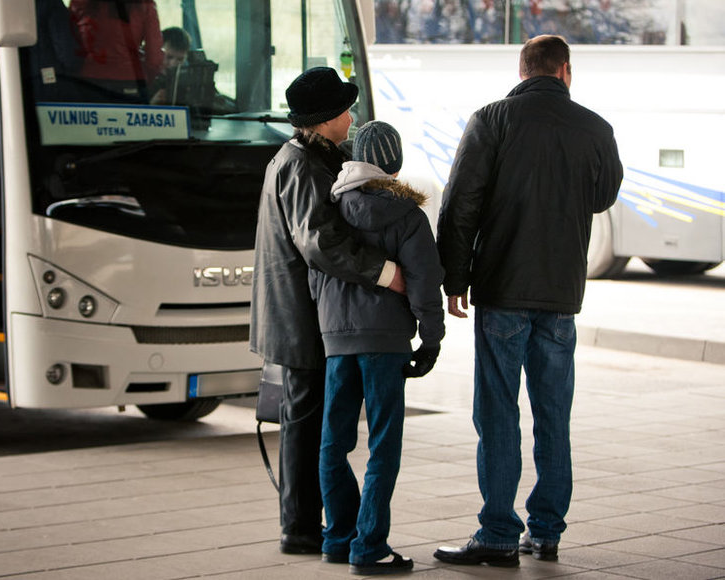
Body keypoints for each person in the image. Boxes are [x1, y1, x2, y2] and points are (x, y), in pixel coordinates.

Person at [432, 35, 622, 566]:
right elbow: (604, 195)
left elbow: (460, 204)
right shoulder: (596, 127)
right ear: (565, 71)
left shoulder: (491, 120)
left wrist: (455, 278)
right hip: (561, 295)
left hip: (503, 289)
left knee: (497, 412)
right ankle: (546, 532)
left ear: (522, 72)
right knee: (552, 413)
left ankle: (496, 533)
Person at [250, 67, 405, 556]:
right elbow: (320, 242)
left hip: (304, 314)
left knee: (311, 422)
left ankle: (307, 523)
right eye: (343, 111)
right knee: (304, 425)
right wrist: (385, 273)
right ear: (324, 121)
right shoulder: (299, 165)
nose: (352, 117)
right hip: (298, 317)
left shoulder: (306, 157)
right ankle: (298, 528)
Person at [310, 120, 444, 575]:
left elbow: (315, 268)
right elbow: (426, 280)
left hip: (336, 338)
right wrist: (431, 338)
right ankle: (369, 546)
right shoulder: (406, 214)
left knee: (334, 441)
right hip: (385, 340)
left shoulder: (329, 208)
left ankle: (337, 537)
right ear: (393, 162)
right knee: (383, 442)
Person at [68, 0, 163, 102]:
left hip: (89, 80)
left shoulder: (79, 3)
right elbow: (154, 57)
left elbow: (68, 46)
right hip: (130, 79)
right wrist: (146, 78)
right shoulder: (145, 4)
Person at [149, 27, 191, 104]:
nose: (173, 64)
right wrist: (151, 106)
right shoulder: (144, 80)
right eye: (169, 57)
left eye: (180, 59)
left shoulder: (191, 80)